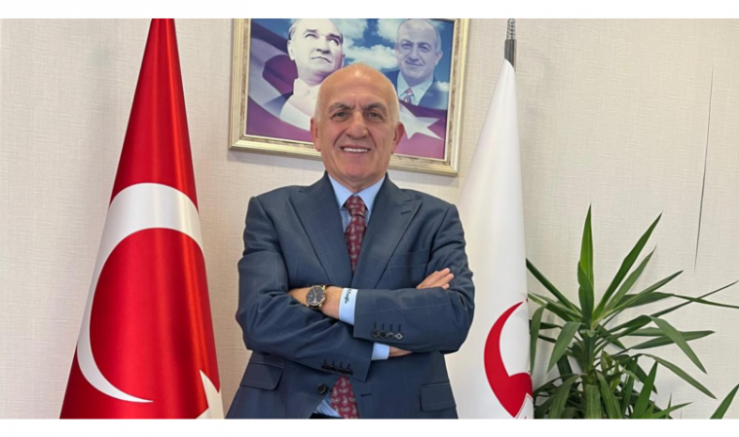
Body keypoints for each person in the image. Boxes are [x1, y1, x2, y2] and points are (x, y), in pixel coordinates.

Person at [227, 64, 474, 419]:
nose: (357, 128)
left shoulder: (436, 218)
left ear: (396, 136)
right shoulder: (273, 211)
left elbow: (451, 320)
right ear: (316, 133)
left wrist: (326, 298)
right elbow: (261, 319)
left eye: (374, 114)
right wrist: (377, 347)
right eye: (340, 113)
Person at [279, 19, 344, 130]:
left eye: (334, 41)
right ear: (291, 50)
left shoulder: (355, 110)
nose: (323, 48)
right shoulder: (266, 108)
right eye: (310, 36)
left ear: (342, 60)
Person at [385, 19, 448, 111]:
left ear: (437, 57)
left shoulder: (448, 99)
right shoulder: (374, 83)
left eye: (424, 47)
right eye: (406, 45)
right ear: (396, 49)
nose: (413, 56)